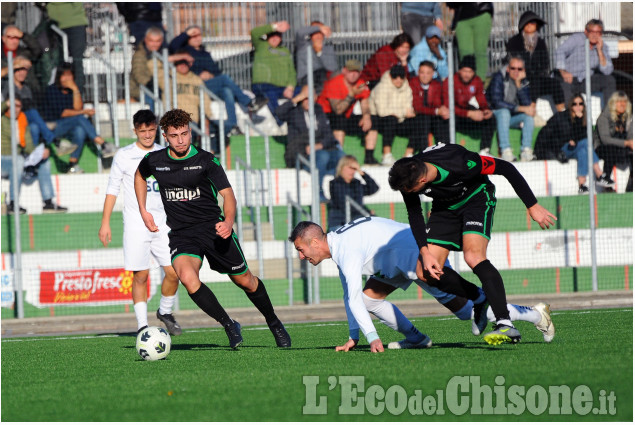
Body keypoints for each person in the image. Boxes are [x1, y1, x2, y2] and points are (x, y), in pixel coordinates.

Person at [134, 108, 291, 349]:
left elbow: (228, 195)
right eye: (174, 135)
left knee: (245, 281)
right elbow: (140, 175)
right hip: (182, 234)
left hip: (214, 229)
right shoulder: (155, 161)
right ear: (165, 136)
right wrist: (143, 210)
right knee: (187, 278)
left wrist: (228, 222)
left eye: (185, 134)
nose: (181, 140)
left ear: (190, 133)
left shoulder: (206, 160)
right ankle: (229, 324)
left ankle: (274, 322)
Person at [289, 217, 555, 351]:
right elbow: (352, 296)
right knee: (369, 298)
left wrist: (372, 337)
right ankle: (416, 338)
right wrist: (354, 335)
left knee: (468, 311)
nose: (301, 256)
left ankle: (535, 314)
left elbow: (352, 298)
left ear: (314, 242)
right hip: (394, 263)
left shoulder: (344, 249)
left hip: (419, 257)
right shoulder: (338, 245)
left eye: (301, 249)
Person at [388, 142, 558, 345]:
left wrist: (532, 205)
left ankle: (505, 323)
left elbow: (506, 168)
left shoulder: (461, 163)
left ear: (423, 180)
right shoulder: (408, 173)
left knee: (473, 256)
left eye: (410, 190)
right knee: (424, 272)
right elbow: (414, 213)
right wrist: (424, 251)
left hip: (476, 197)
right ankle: (479, 297)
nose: (407, 192)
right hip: (445, 208)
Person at [99, 110, 182, 335]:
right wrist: (105, 222)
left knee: (175, 271)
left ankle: (164, 311)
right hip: (136, 224)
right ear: (135, 130)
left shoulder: (165, 153)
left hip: (164, 223)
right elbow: (112, 189)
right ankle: (142, 326)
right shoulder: (124, 155)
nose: (147, 135)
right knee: (141, 275)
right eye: (142, 131)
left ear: (158, 129)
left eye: (151, 130)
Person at [169, 25, 266, 137]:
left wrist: (210, 75)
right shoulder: (184, 51)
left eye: (199, 35)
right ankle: (249, 103)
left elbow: (217, 72)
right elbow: (172, 46)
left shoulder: (205, 54)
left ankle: (232, 125)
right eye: (193, 36)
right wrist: (187, 33)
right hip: (194, 86)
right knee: (224, 78)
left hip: (209, 86)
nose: (197, 38)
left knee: (227, 91)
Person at [41, 63, 117, 173]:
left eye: (69, 75)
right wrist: (84, 112)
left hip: (68, 127)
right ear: (58, 77)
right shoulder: (51, 90)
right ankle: (103, 144)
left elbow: (77, 107)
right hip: (52, 127)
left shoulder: (72, 90)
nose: (67, 78)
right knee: (80, 118)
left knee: (80, 130)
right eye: (64, 75)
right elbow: (63, 113)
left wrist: (75, 89)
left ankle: (72, 165)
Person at [275, 86, 344, 202]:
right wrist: (297, 98)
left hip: (319, 149)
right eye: (305, 98)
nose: (308, 101)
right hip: (301, 153)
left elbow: (329, 135)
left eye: (310, 98)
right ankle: (319, 192)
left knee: (341, 156)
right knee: (323, 156)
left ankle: (340, 192)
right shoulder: (294, 111)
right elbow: (278, 112)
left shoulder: (319, 110)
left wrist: (319, 145)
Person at [1, 99, 69, 214]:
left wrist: (39, 153)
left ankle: (48, 203)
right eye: (14, 106)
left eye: (19, 107)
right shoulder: (2, 119)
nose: (17, 109)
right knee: (18, 160)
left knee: (44, 162)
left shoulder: (22, 120)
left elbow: (28, 145)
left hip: (18, 160)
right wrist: (5, 103)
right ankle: (13, 204)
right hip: (3, 160)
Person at [1, 56, 76, 158]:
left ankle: (33, 159)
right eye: (18, 70)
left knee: (34, 127)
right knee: (32, 112)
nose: (22, 73)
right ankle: (55, 141)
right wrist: (13, 65)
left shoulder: (27, 88)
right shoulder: (6, 83)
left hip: (25, 119)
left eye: (24, 70)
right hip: (11, 119)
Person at [316, 60, 376, 164]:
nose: (353, 75)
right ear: (344, 71)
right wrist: (351, 94)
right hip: (326, 116)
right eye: (350, 71)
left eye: (356, 72)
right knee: (340, 121)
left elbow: (365, 103)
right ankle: (337, 156)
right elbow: (338, 110)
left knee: (373, 121)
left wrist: (366, 116)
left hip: (346, 115)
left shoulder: (360, 84)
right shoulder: (334, 83)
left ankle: (369, 157)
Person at [506, 10, 565, 113]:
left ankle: (562, 113)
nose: (530, 25)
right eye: (527, 23)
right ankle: (531, 111)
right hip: (520, 78)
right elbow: (511, 61)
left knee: (554, 83)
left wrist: (539, 71)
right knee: (535, 81)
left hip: (537, 78)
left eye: (533, 23)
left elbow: (545, 62)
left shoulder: (540, 42)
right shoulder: (514, 41)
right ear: (522, 25)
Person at [555, 19, 616, 108]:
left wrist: (600, 51)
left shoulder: (603, 46)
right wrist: (563, 71)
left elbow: (607, 71)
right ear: (586, 31)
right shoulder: (576, 39)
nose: (595, 35)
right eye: (592, 32)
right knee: (564, 88)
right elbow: (560, 51)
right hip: (569, 78)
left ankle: (607, 116)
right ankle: (570, 118)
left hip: (586, 80)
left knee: (609, 80)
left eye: (598, 32)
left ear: (601, 34)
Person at [443, 55, 496, 155]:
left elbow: (481, 99)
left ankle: (484, 150)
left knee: (491, 118)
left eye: (470, 72)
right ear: (459, 71)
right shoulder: (450, 81)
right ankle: (449, 151)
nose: (467, 75)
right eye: (464, 71)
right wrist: (469, 114)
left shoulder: (477, 81)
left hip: (466, 111)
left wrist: (485, 110)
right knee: (447, 118)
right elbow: (447, 106)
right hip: (454, 113)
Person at [130, 27, 192, 111]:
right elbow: (139, 75)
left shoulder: (163, 52)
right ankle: (157, 123)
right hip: (141, 90)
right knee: (155, 101)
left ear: (162, 41)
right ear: (145, 40)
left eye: (158, 41)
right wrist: (153, 85)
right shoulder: (140, 55)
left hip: (161, 87)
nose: (154, 44)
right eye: (151, 41)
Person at [487, 55, 535, 162]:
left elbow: (527, 104)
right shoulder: (499, 77)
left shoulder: (523, 80)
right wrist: (519, 108)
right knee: (504, 112)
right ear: (508, 68)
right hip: (495, 115)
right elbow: (496, 102)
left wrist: (519, 85)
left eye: (519, 69)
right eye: (513, 68)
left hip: (511, 117)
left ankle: (526, 151)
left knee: (529, 117)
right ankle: (506, 151)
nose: (516, 71)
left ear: (524, 70)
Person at [367, 65, 415, 166]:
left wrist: (402, 113)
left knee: (418, 121)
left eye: (401, 77)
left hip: (399, 120)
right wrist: (403, 113)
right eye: (395, 77)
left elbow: (408, 108)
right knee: (391, 119)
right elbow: (382, 111)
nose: (398, 80)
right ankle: (386, 155)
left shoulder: (407, 88)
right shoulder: (381, 87)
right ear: (390, 76)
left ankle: (408, 155)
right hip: (379, 120)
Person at [250, 21, 297, 126]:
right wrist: (275, 26)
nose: (275, 38)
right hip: (263, 85)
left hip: (282, 88)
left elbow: (292, 72)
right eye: (272, 36)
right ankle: (281, 120)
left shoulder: (285, 51)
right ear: (267, 37)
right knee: (269, 92)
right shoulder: (261, 46)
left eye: (278, 36)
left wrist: (290, 87)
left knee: (303, 91)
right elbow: (254, 33)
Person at [407, 60, 450, 156]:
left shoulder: (436, 85)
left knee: (442, 121)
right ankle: (424, 152)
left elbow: (437, 103)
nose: (425, 75)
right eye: (422, 72)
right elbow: (417, 107)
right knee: (423, 119)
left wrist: (442, 110)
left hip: (432, 117)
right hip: (415, 118)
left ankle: (444, 152)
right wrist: (435, 111)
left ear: (433, 74)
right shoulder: (413, 83)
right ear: (418, 72)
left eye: (428, 73)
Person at [594, 91, 633, 192]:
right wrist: (627, 143)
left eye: (625, 102)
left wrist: (631, 142)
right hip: (601, 147)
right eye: (619, 102)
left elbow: (630, 135)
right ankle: (605, 179)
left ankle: (631, 186)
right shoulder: (603, 117)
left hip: (620, 147)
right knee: (611, 149)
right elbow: (605, 140)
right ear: (613, 103)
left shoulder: (627, 117)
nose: (623, 104)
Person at [327, 155, 379, 231]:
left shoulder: (356, 183)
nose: (353, 171)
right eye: (350, 168)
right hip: (339, 223)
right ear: (341, 167)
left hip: (357, 220)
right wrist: (366, 212)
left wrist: (361, 172)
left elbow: (373, 188)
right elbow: (345, 204)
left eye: (355, 169)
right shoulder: (335, 184)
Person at [46, 2, 88, 94]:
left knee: (77, 62)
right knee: (58, 62)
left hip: (75, 23)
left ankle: (78, 95)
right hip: (54, 24)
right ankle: (61, 96)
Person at [446, 3, 494, 81]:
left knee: (480, 52)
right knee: (465, 56)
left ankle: (480, 84)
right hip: (461, 18)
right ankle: (467, 86)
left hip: (481, 12)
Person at [294, 21, 338, 94]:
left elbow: (332, 68)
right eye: (315, 31)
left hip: (324, 81)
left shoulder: (328, 49)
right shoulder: (303, 45)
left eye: (320, 32)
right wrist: (319, 28)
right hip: (306, 80)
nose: (318, 35)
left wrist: (320, 53)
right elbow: (299, 33)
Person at [1, 25, 42, 92]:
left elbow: (37, 50)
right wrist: (14, 66)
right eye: (10, 37)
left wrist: (23, 36)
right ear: (3, 38)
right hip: (5, 94)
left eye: (17, 37)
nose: (14, 41)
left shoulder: (24, 53)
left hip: (29, 93)